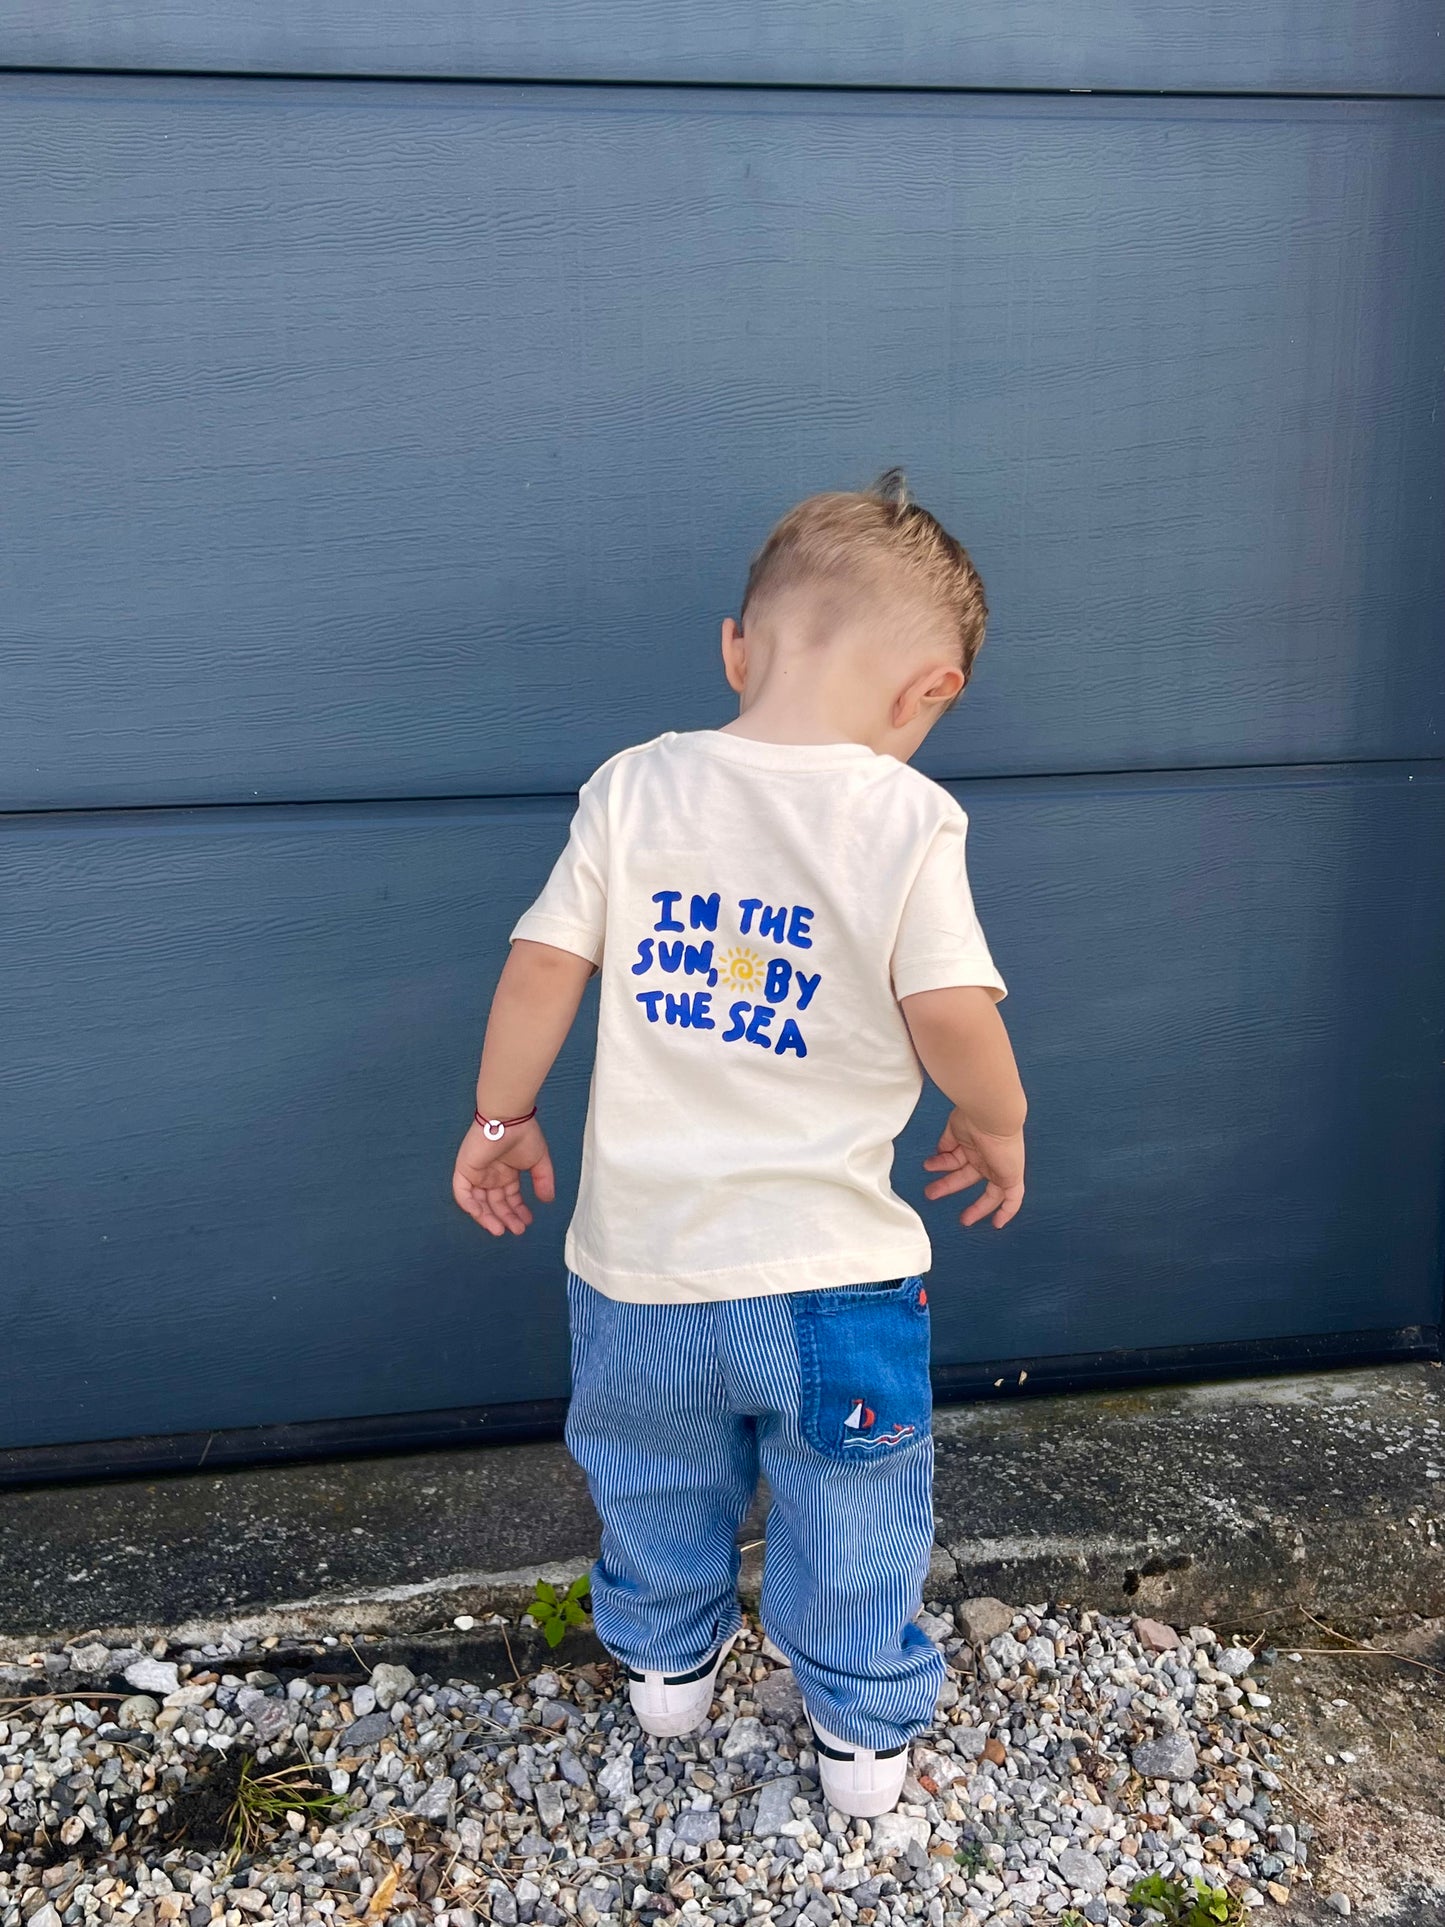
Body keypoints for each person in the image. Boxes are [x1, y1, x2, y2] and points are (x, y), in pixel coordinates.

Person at [451, 471, 1027, 1817]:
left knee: (652, 1477)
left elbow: (541, 966)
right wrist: (993, 1121)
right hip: (831, 1278)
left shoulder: (634, 788)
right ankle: (861, 1739)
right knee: (852, 1511)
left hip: (640, 1264)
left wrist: (499, 1117)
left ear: (735, 646)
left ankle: (664, 1667)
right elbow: (950, 1006)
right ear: (926, 693)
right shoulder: (902, 817)